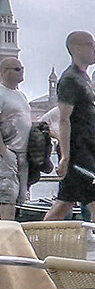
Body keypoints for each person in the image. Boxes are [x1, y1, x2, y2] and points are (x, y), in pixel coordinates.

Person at [43, 32, 95, 229]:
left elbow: (86, 116)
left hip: (86, 150)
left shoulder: (83, 78)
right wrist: (65, 157)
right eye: (91, 45)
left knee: (64, 204)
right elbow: (64, 119)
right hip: (77, 154)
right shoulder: (69, 80)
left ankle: (34, 241)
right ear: (77, 49)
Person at [0, 58, 32, 219]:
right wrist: (5, 153)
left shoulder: (21, 95)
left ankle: (11, 234)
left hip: (23, 155)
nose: (22, 71)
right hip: (7, 155)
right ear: (5, 71)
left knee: (20, 197)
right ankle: (6, 239)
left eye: (22, 68)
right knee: (7, 198)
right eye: (17, 69)